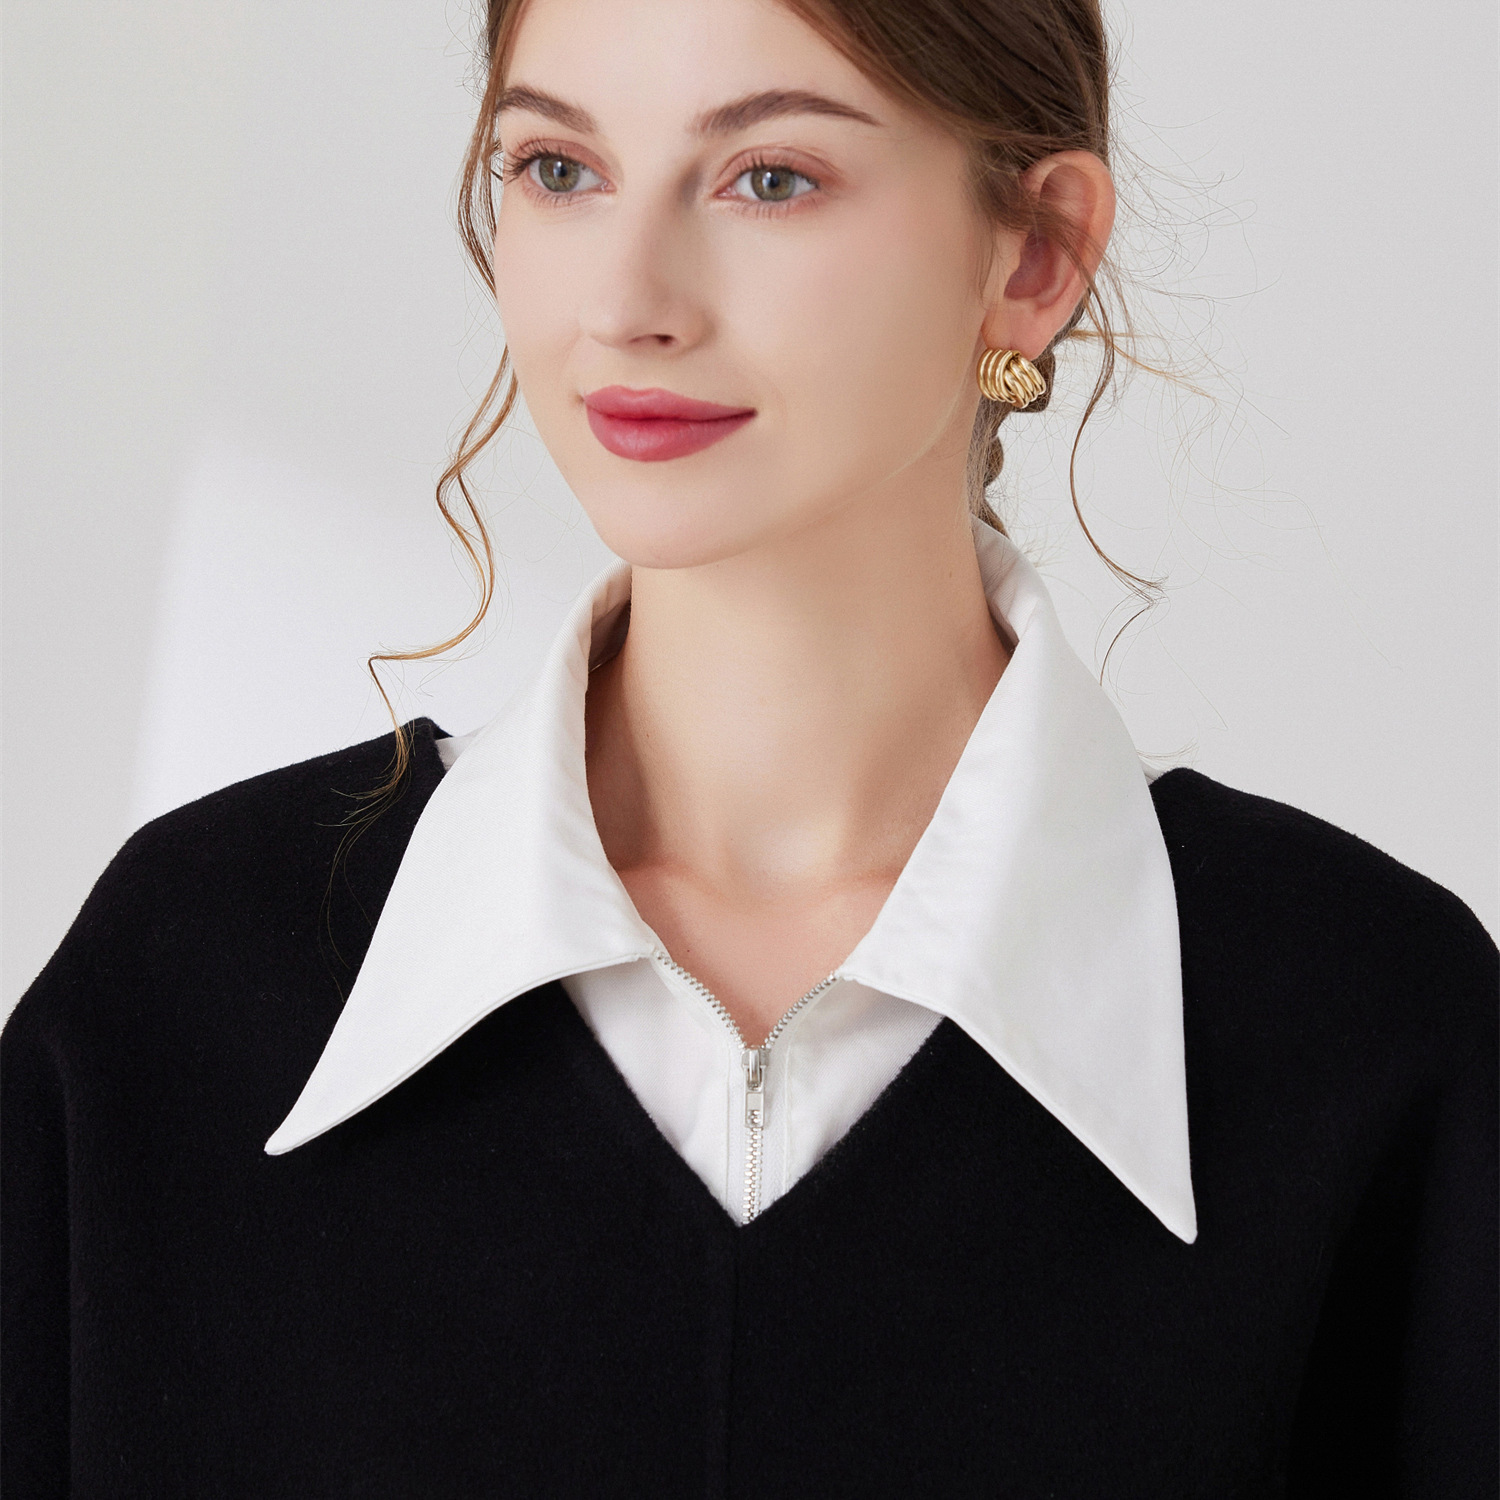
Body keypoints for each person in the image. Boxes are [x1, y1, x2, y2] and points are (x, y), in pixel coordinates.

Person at [3, 0, 1495, 1492]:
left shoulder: (1371, 1036)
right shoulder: (185, 987)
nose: (627, 302)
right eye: (559, 170)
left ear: (1036, 256)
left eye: (769, 178)